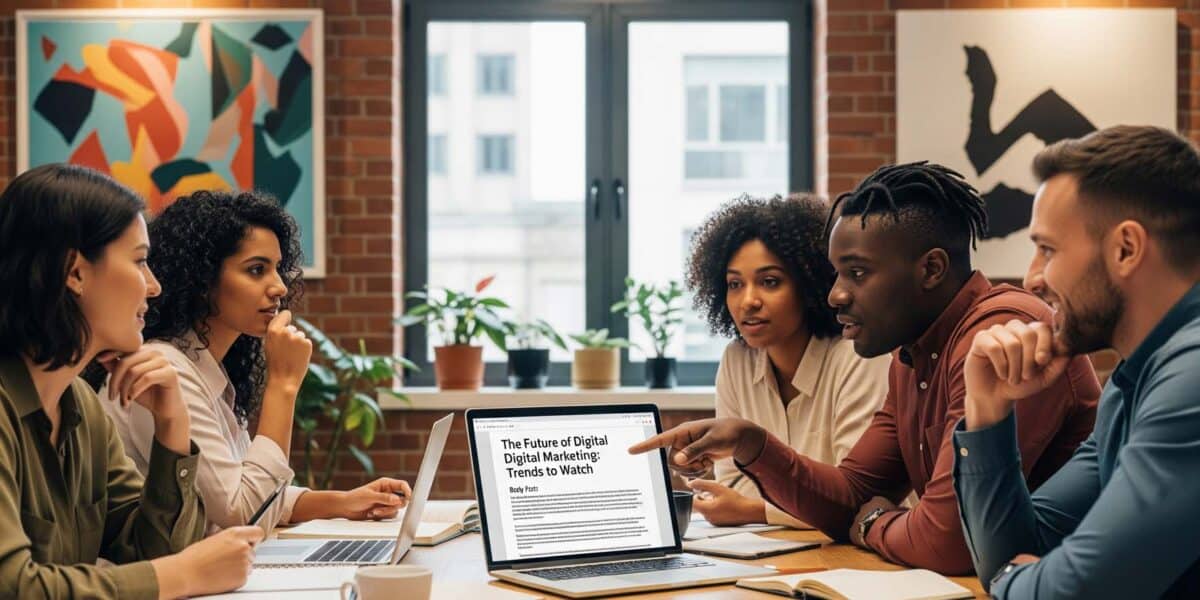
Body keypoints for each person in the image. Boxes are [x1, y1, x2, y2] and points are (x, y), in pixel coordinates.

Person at [631, 162, 1100, 574]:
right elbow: (850, 492)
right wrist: (752, 443)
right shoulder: (910, 353)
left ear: (931, 269)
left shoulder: (1001, 334)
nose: (835, 294)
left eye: (857, 273)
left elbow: (948, 542)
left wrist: (874, 522)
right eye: (836, 273)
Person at [953, 125, 1200, 598]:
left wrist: (1011, 579)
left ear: (1125, 249)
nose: (1031, 279)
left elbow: (1077, 589)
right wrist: (987, 409)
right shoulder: (1131, 382)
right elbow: (1022, 547)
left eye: (1047, 248)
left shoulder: (1190, 378)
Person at [0, 164, 261, 599]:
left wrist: (173, 428)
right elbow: (13, 587)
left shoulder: (80, 404)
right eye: (140, 261)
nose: (153, 286)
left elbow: (151, 550)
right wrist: (186, 575)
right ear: (75, 272)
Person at [101, 190, 411, 533]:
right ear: (202, 279)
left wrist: (343, 502)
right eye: (256, 270)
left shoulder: (209, 368)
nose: (278, 287)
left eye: (277, 269)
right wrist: (284, 384)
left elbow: (251, 489)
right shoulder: (165, 369)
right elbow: (242, 511)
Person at [683, 194, 890, 527]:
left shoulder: (858, 357)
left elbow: (858, 498)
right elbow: (733, 483)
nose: (748, 301)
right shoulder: (736, 361)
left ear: (809, 285)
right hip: (772, 552)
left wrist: (754, 510)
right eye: (735, 284)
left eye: (769, 282)